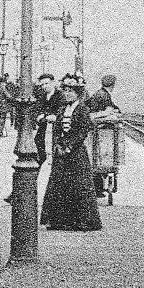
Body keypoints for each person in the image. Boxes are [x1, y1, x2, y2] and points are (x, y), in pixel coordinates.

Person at [41, 74, 103, 231]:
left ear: (78, 93)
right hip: (61, 153)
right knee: (59, 185)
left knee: (78, 185)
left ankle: (82, 222)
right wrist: (57, 145)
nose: (68, 94)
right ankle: (59, 221)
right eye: (66, 91)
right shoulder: (62, 109)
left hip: (76, 154)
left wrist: (69, 146)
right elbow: (56, 129)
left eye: (71, 91)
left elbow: (83, 131)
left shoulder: (82, 109)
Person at [85, 74, 120, 198]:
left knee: (98, 159)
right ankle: (97, 188)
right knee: (99, 158)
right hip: (97, 131)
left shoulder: (101, 93)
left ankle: (98, 187)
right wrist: (108, 113)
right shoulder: (103, 95)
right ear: (113, 85)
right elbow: (92, 113)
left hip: (97, 131)